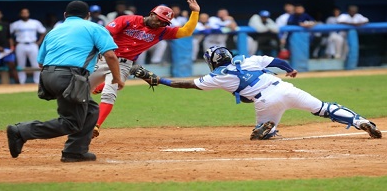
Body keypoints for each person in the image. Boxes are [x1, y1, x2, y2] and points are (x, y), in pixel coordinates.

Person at [139, 46, 382, 140]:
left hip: (264, 101)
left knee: (260, 137)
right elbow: (275, 59)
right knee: (323, 108)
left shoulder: (218, 76)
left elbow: (188, 85)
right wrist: (290, 69)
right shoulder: (249, 59)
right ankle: (360, 121)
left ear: (212, 61)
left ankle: (266, 127)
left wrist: (159, 80)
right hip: (285, 87)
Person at [6, 0, 124, 162]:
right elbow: (110, 55)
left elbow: (40, 62)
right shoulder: (95, 28)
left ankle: (75, 151)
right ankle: (22, 131)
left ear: (65, 15)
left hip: (47, 76)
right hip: (71, 77)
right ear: (88, 16)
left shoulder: (54, 31)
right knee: (71, 122)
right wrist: (117, 79)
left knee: (90, 111)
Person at [90, 0, 200, 138]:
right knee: (80, 89)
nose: (160, 23)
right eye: (159, 19)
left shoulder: (161, 31)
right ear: (152, 13)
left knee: (109, 94)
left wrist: (195, 12)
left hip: (124, 64)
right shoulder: (128, 19)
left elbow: (186, 31)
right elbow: (105, 34)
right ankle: (96, 90)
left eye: (164, 22)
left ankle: (95, 125)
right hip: (104, 58)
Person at [10, 8, 46, 84]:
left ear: (29, 13)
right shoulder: (15, 24)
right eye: (23, 13)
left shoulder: (35, 22)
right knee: (21, 64)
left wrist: (39, 42)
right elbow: (8, 34)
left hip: (32, 44)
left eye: (26, 13)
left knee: (36, 64)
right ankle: (21, 82)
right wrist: (13, 43)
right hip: (20, 44)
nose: (25, 14)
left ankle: (37, 82)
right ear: (20, 14)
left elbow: (43, 32)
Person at [0, 8, 19, 84]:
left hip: (6, 49)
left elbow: (9, 37)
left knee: (12, 65)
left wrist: (12, 47)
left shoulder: (5, 24)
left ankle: (18, 83)